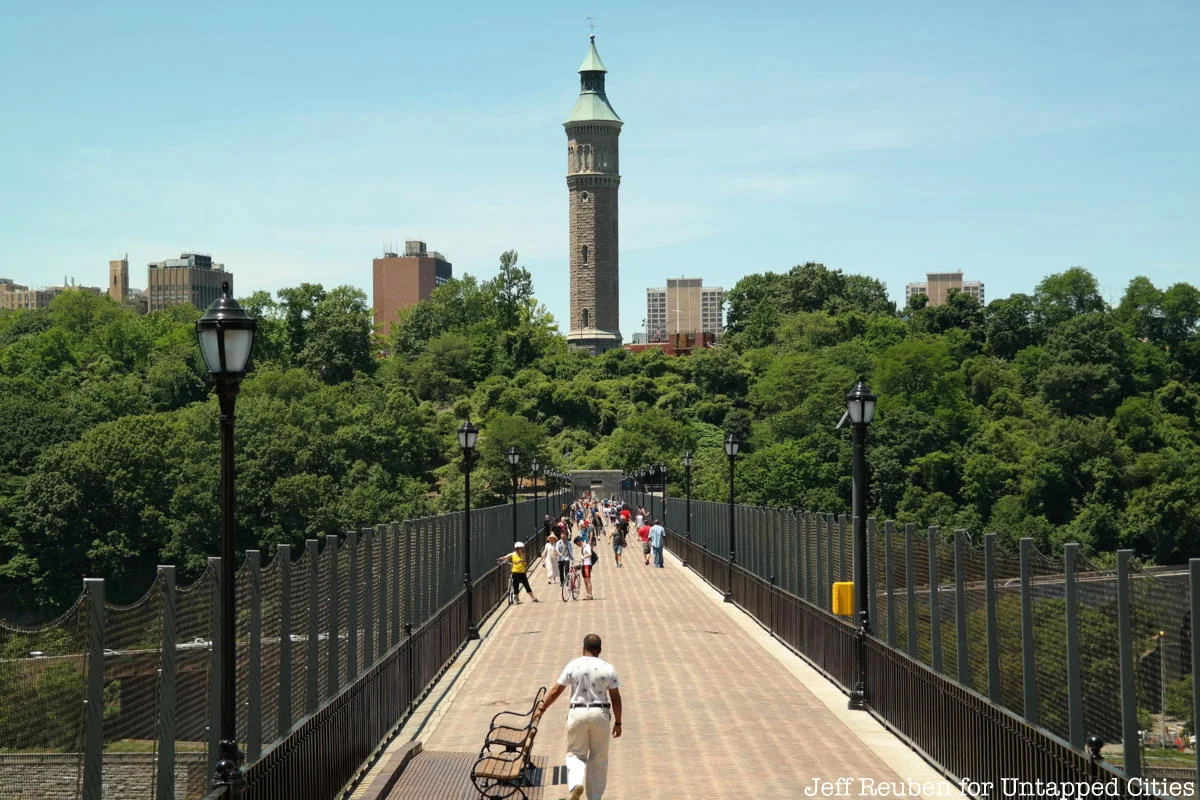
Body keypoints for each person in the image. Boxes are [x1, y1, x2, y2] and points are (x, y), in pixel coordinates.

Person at [540, 633, 622, 800]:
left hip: (577, 713)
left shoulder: (574, 665)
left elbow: (556, 691)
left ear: (583, 648)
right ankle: (595, 797)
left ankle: (576, 783)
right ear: (600, 650)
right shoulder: (608, 668)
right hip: (600, 714)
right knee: (598, 757)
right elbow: (615, 698)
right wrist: (618, 722)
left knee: (575, 753)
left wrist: (542, 709)